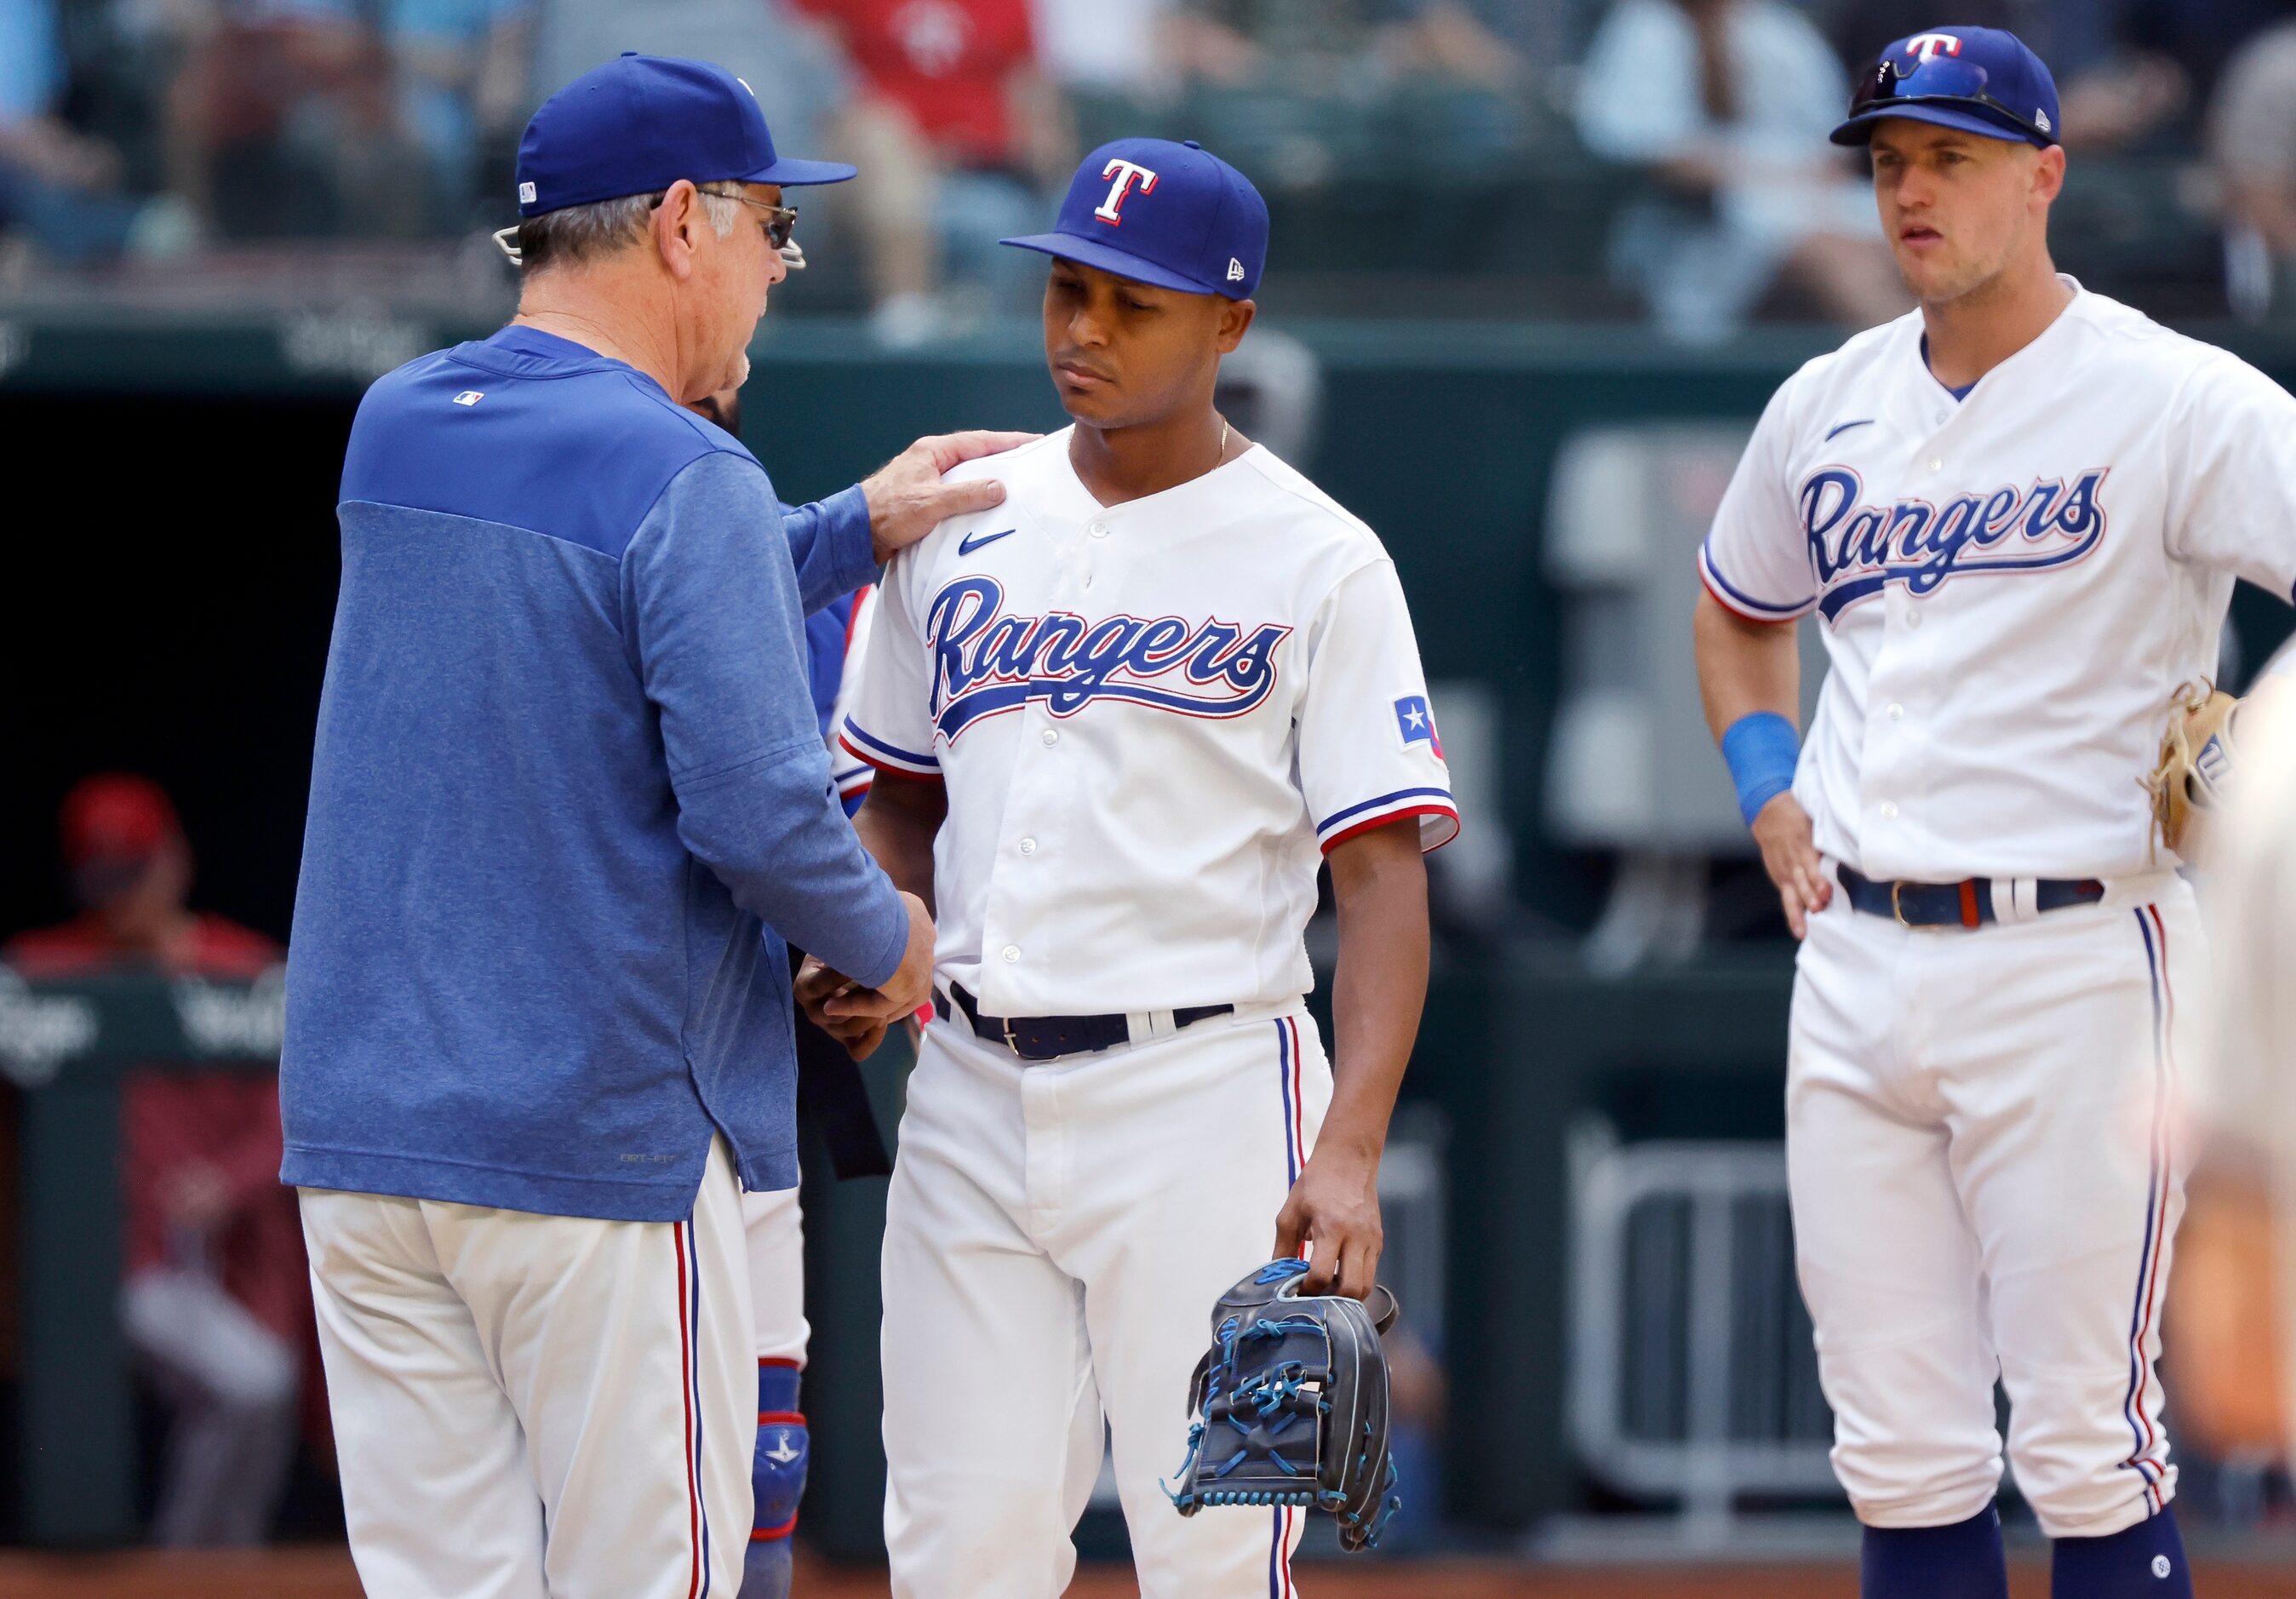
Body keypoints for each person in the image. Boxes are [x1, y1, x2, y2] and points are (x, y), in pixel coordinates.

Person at [279, 54, 1030, 1597]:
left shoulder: (397, 421)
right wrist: (890, 940)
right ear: (682, 223)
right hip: (592, 1148)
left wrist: (845, 525)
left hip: (369, 1148)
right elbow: (759, 811)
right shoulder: (688, 473)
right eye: (768, 225)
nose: (776, 264)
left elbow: (593, 596)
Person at [1692, 25, 2296, 1598]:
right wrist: (1766, 783)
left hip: (2076, 952)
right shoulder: (1824, 400)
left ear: (2044, 175)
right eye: (1890, 159)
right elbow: (1735, 605)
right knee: (1897, 1448)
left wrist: (2271, 776)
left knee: (2088, 1443)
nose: (1910, 188)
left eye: (1949, 156)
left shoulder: (2178, 398)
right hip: (1854, 957)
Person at [818, 136, 1457, 1596]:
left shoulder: (1323, 558)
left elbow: (1380, 879)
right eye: (1067, 290)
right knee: (955, 1551)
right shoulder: (959, 514)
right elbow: (895, 802)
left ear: (1228, 322)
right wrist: (868, 929)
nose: (1082, 330)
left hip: (1209, 1097)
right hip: (967, 1087)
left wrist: (1347, 1145)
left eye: (1133, 303)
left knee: (1224, 1555)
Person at [4, 774, 303, 1548]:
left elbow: (294, 1116)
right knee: (252, 1386)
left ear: (172, 862)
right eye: (104, 877)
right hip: (108, 1267)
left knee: (262, 1386)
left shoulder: (245, 968)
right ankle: (190, 1568)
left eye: (134, 872)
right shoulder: (46, 968)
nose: (121, 896)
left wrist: (229, 1183)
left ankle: (208, 1562)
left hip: (224, 1260)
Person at [1577, 0, 1908, 342]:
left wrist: (1817, 170)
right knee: (1842, 261)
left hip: (1812, 201)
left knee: (1912, 253)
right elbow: (1652, 152)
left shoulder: (1775, 25)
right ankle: (1922, 383)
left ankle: (1941, 380)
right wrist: (1758, 174)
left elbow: (1835, 136)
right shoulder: (1646, 27)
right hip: (1699, 233)